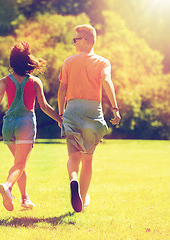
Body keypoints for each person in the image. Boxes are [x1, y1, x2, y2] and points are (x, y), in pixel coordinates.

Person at [0, 41, 62, 211]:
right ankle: (7, 186)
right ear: (28, 61)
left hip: (8, 125)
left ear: (11, 62)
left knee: (19, 164)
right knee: (20, 164)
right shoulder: (35, 82)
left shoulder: (4, 81)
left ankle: (24, 199)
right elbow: (44, 106)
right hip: (25, 125)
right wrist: (59, 119)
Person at [58, 24, 121, 212]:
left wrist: (61, 113)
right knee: (88, 159)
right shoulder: (103, 62)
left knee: (73, 156)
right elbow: (107, 81)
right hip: (93, 111)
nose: (74, 42)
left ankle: (73, 179)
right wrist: (115, 108)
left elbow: (62, 90)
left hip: (72, 109)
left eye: (76, 39)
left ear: (86, 40)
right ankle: (82, 200)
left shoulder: (68, 62)